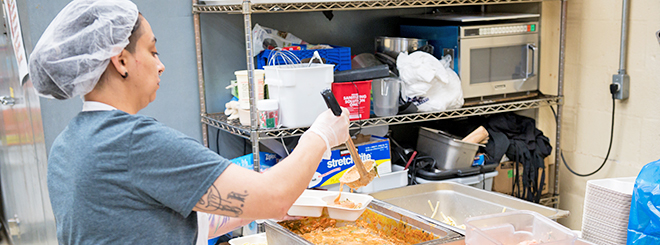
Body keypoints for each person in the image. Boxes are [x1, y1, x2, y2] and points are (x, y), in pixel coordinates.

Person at [28, 0, 350, 244]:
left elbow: (144, 222)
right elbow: (275, 197)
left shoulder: (69, 143)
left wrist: (252, 207)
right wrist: (320, 134)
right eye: (152, 51)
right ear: (121, 61)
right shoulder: (134, 142)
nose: (161, 65)